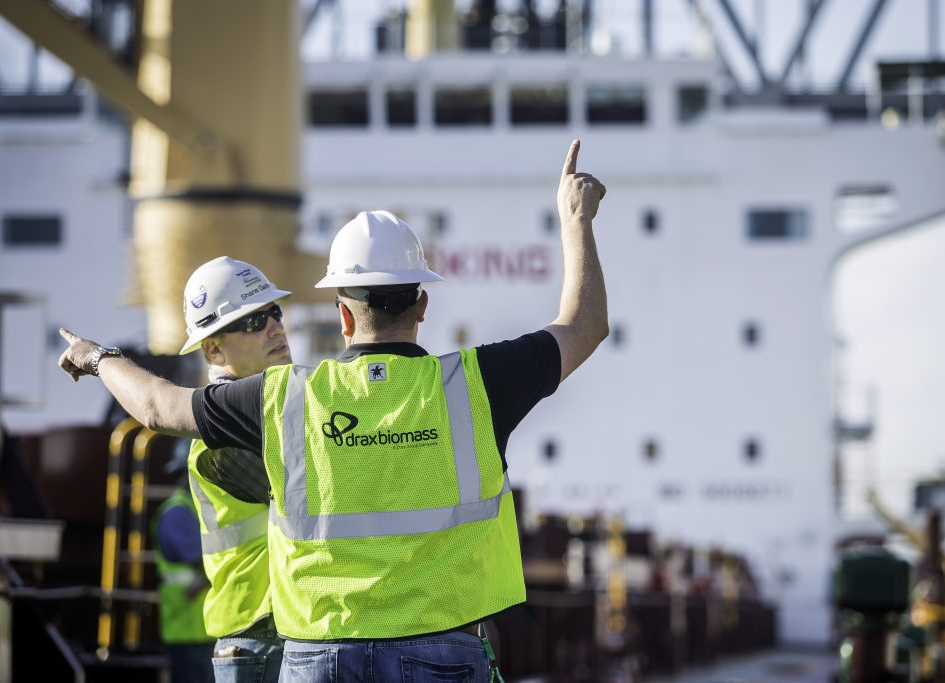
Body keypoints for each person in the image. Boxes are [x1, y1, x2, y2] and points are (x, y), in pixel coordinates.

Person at [57, 139, 607, 683]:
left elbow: (157, 408)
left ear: (342, 316)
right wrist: (574, 220)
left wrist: (96, 356)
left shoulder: (284, 399)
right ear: (422, 305)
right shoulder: (476, 384)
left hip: (317, 655)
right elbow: (584, 326)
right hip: (441, 651)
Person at [179, 256, 290, 682]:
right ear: (213, 349)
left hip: (277, 629)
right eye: (254, 322)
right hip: (259, 632)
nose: (276, 328)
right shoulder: (220, 439)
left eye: (275, 313)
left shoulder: (270, 411)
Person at [153, 460, 215, 683]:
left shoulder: (194, 508)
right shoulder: (178, 513)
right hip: (188, 628)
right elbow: (205, 557)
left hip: (201, 628)